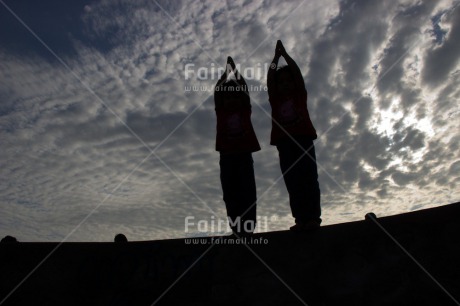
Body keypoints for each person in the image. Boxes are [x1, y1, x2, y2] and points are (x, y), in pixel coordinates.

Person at [267, 40, 321, 231]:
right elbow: (270, 78)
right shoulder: (275, 99)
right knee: (293, 182)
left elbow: (297, 74)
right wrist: (275, 58)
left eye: (288, 81)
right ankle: (300, 219)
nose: (285, 84)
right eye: (281, 82)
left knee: (309, 179)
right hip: (285, 144)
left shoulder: (299, 95)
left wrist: (285, 56)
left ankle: (313, 218)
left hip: (303, 140)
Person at [215, 56, 261, 236]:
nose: (232, 99)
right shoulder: (221, 112)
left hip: (243, 155)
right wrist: (226, 74)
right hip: (226, 156)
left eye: (235, 96)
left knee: (247, 191)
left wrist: (236, 73)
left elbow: (244, 91)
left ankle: (247, 229)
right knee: (230, 193)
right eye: (228, 97)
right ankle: (236, 229)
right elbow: (218, 91)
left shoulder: (244, 110)